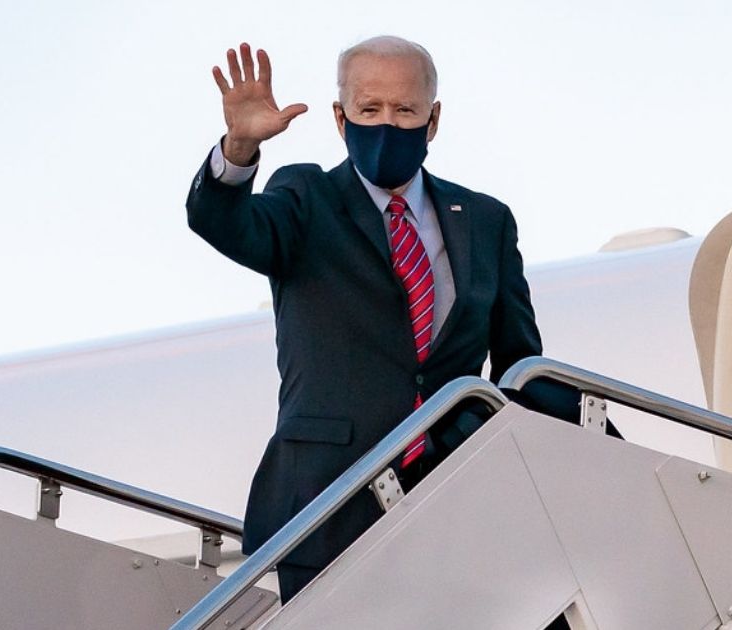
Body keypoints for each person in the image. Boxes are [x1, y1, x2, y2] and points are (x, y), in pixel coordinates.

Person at [186, 36, 545, 601]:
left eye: (404, 111)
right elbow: (224, 223)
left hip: (455, 500)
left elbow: (524, 366)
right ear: (339, 117)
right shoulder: (306, 199)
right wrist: (238, 151)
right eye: (369, 109)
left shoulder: (485, 220)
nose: (386, 126)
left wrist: (621, 456)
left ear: (433, 120)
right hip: (326, 505)